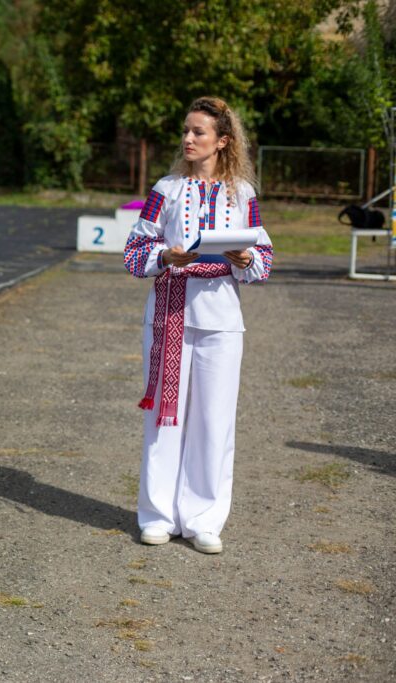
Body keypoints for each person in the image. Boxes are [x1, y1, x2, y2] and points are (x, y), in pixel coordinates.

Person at [123, 96, 273, 555]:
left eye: (199, 132)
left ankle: (205, 518)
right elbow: (132, 253)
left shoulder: (242, 194)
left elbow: (264, 260)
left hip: (221, 319)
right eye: (186, 131)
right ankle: (158, 515)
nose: (188, 139)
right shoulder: (165, 190)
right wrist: (166, 256)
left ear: (223, 141)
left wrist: (245, 258)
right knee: (164, 418)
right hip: (169, 310)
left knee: (214, 419)